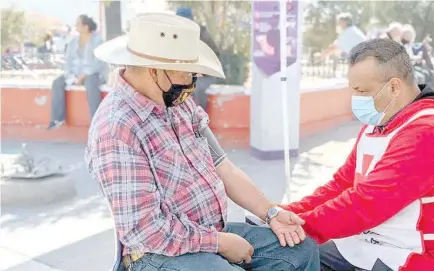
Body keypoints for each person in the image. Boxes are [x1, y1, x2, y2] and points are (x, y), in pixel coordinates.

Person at [85, 12, 319, 271]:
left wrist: (271, 213)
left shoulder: (178, 104)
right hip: (157, 253)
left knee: (301, 251)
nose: (192, 83)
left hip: (207, 232)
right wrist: (219, 243)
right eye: (187, 73)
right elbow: (145, 229)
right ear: (155, 71)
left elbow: (223, 167)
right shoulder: (117, 127)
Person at [281, 39, 434, 271]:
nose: (355, 99)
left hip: (422, 258)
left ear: (394, 87)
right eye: (353, 90)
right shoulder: (379, 123)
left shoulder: (432, 132)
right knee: (284, 259)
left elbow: (367, 203)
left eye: (362, 91)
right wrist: (286, 212)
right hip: (368, 247)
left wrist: (298, 226)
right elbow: (341, 185)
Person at [48, 15, 108, 129]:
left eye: (78, 24)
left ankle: (96, 122)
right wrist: (71, 76)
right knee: (57, 83)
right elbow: (68, 61)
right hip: (75, 73)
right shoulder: (73, 42)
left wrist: (84, 75)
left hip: (93, 73)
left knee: (91, 84)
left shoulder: (97, 40)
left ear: (86, 26)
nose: (76, 27)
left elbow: (99, 62)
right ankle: (57, 119)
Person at [176, 7, 221, 112]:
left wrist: (201, 70)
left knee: (197, 89)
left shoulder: (202, 34)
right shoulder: (173, 34)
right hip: (181, 73)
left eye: (186, 21)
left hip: (204, 75)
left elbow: (214, 57)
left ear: (192, 20)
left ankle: (199, 121)